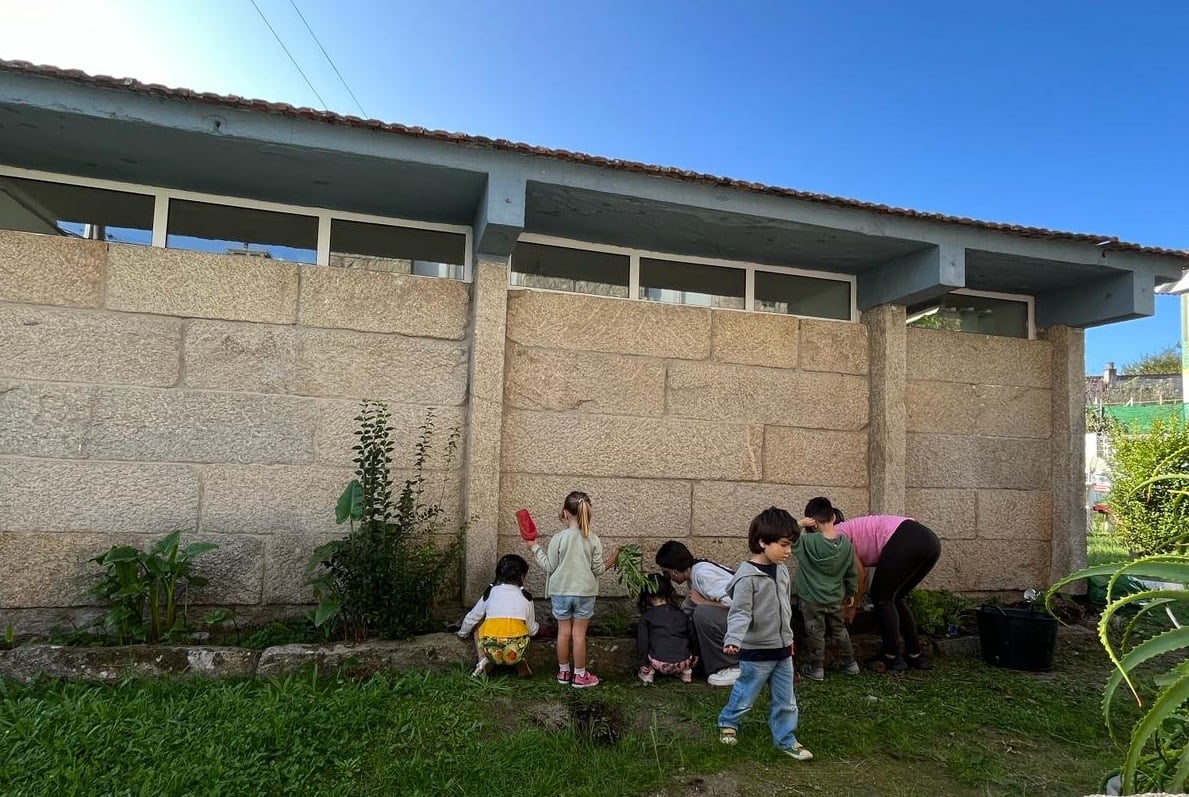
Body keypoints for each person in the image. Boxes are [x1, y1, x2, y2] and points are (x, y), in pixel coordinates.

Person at [717, 507, 812, 761]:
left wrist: (790, 639)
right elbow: (740, 613)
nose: (788, 552)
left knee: (786, 700)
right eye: (783, 545)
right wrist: (733, 640)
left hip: (783, 651)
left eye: (791, 545)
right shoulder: (747, 577)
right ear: (762, 542)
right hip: (756, 652)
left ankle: (786, 739)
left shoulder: (781, 570)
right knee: (746, 695)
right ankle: (728, 720)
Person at [526, 490, 617, 688]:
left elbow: (550, 566)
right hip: (585, 593)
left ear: (565, 513)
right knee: (578, 635)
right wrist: (613, 558)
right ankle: (580, 676)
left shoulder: (558, 538)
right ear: (587, 512)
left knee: (563, 633)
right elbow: (598, 569)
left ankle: (563, 673)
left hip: (560, 591)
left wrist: (534, 547)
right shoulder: (593, 539)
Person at [835, 512, 942, 672]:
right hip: (929, 541)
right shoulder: (850, 528)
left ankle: (892, 657)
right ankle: (915, 655)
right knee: (896, 597)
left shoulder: (836, 535)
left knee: (881, 596)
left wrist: (852, 608)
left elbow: (861, 575)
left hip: (907, 539)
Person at [655, 540, 740, 686]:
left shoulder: (702, 574)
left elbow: (738, 603)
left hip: (752, 621)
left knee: (702, 613)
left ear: (674, 570)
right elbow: (686, 611)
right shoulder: (694, 573)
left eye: (666, 572)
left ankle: (733, 666)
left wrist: (702, 602)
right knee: (694, 616)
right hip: (741, 621)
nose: (669, 577)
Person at [794, 497, 859, 681]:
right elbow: (851, 571)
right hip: (836, 598)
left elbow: (787, 537)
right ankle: (851, 663)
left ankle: (817, 668)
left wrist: (799, 524)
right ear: (833, 517)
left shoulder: (808, 542)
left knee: (815, 632)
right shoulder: (846, 544)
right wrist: (851, 592)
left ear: (812, 522)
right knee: (839, 629)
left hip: (811, 598)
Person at [457, 554, 540, 678]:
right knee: (522, 628)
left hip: (492, 649)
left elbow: (472, 617)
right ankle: (520, 661)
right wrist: (538, 627)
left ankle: (483, 660)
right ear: (523, 576)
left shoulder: (491, 593)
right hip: (516, 650)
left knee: (478, 626)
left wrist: (462, 633)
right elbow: (532, 630)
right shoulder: (527, 597)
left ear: (499, 573)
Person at [635, 573, 698, 685]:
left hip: (659, 663)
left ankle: (648, 673)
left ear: (646, 595)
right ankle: (685, 673)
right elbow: (692, 635)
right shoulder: (681, 613)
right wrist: (695, 654)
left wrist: (643, 662)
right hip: (684, 661)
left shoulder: (647, 617)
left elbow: (643, 642)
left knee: (652, 654)